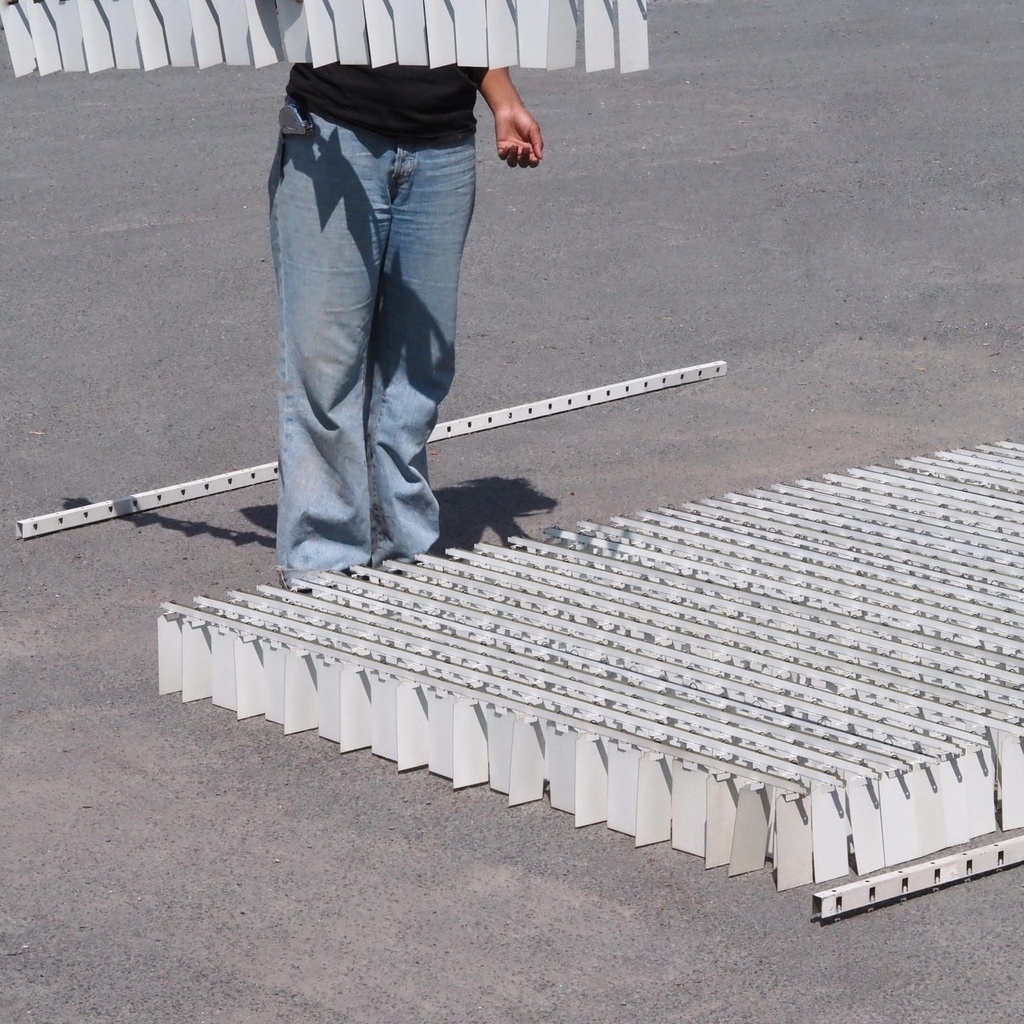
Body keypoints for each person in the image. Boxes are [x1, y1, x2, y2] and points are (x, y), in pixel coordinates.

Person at [269, 62, 543, 591]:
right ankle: (324, 558)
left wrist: (503, 99)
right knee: (325, 369)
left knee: (418, 371)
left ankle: (406, 548)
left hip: (443, 143)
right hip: (333, 133)